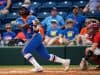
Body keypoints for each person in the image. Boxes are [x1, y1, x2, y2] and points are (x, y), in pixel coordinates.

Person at [16, 6, 70, 72]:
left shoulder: (33, 17)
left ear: (27, 11)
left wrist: (37, 28)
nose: (22, 11)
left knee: (24, 51)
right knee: (46, 56)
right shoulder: (19, 20)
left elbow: (39, 26)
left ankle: (37, 67)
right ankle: (65, 61)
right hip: (31, 38)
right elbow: (22, 26)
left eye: (23, 10)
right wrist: (31, 23)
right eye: (21, 10)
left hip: (36, 36)